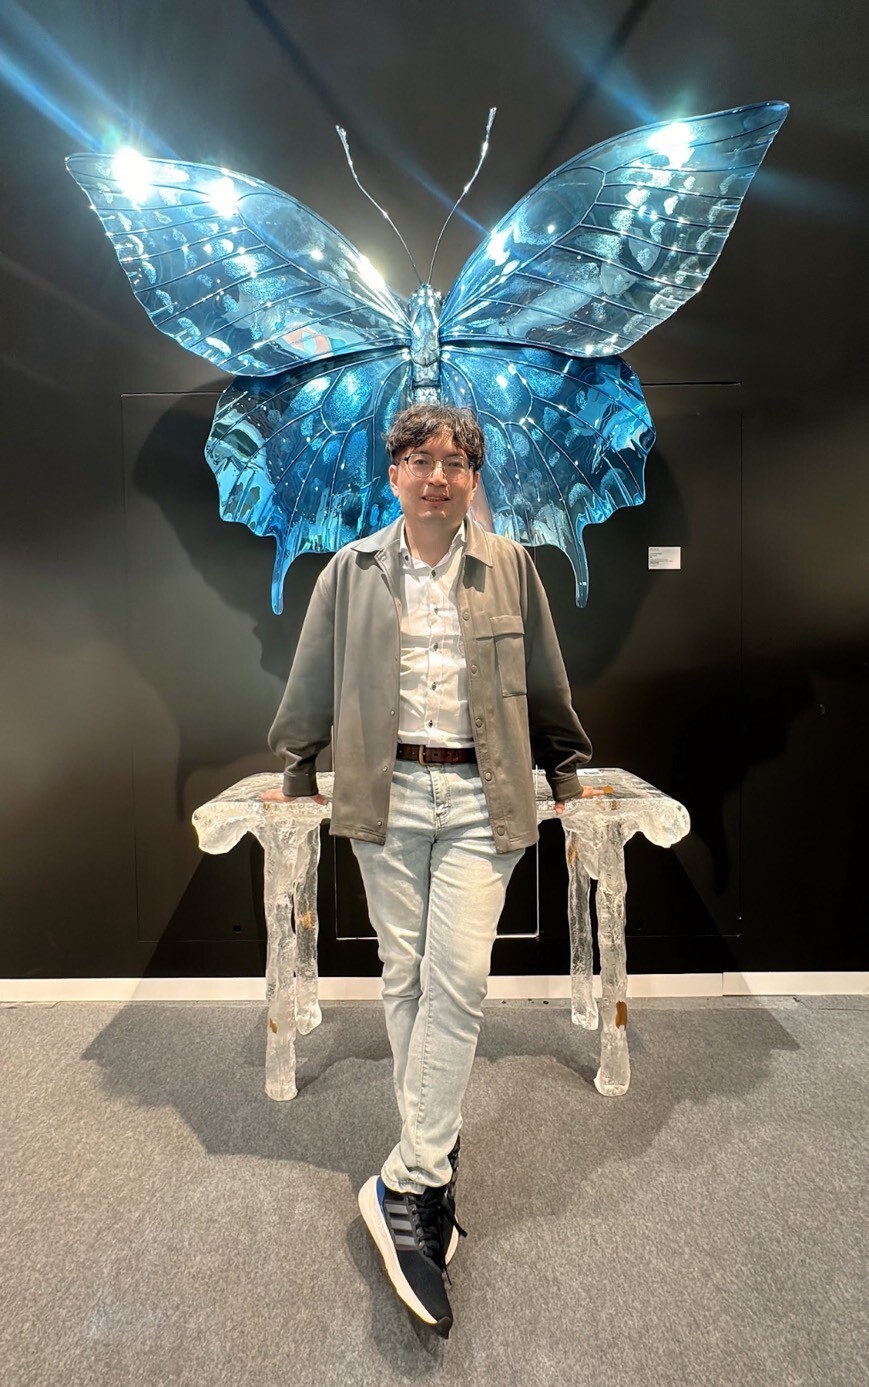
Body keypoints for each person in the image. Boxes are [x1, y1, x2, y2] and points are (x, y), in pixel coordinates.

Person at [263, 403, 604, 1337]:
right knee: (405, 976)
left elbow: (545, 676)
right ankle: (431, 1160)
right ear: (394, 474)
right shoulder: (350, 571)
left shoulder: (511, 566)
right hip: (387, 793)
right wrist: (294, 767)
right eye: (419, 460)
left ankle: (409, 1178)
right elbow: (312, 674)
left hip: (482, 797)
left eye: (453, 462)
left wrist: (566, 770)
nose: (436, 476)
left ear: (471, 476)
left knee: (457, 977)